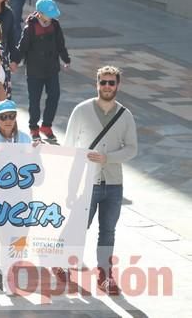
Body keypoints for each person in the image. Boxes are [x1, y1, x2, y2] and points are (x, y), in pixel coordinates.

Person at [63, 66, 138, 295]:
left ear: (118, 85)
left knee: (108, 231)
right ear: (97, 84)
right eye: (103, 82)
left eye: (111, 83)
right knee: (78, 227)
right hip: (87, 182)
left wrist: (108, 158)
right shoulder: (81, 110)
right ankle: (63, 263)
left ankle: (105, 275)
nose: (107, 86)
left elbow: (132, 149)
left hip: (114, 184)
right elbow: (68, 147)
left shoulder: (125, 115)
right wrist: (69, 185)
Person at [18, 0, 70, 142]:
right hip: (35, 71)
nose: (52, 18)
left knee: (54, 95)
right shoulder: (31, 28)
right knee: (34, 100)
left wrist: (66, 59)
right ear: (40, 13)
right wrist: (15, 61)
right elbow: (23, 47)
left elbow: (60, 44)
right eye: (49, 14)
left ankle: (46, 125)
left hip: (52, 69)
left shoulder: (55, 25)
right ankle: (33, 127)